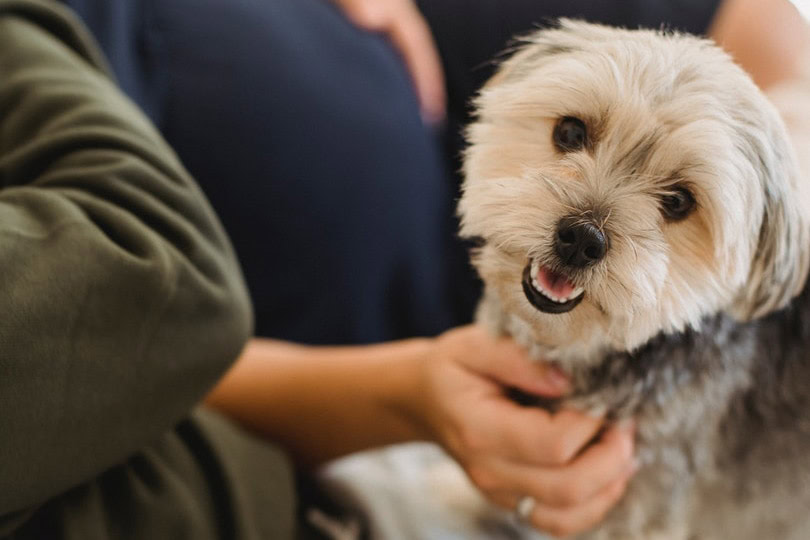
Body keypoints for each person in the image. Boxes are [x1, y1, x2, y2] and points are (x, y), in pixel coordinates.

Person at [2, 1, 807, 540]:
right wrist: (408, 396)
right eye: (573, 136)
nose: (589, 222)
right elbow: (121, 358)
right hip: (455, 349)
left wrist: (784, 126)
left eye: (674, 201)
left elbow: (758, 19)